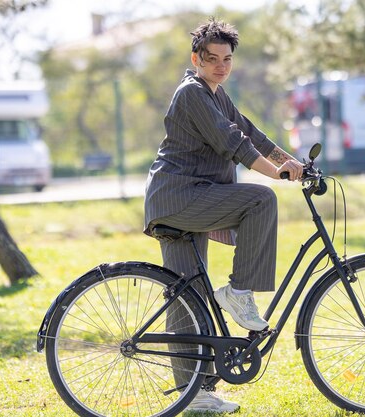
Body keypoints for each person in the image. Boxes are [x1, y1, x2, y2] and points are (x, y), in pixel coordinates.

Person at [143, 18, 303, 413]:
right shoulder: (193, 93)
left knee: (188, 298)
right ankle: (238, 291)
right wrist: (275, 173)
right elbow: (233, 143)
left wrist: (293, 162)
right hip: (181, 197)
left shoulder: (216, 93)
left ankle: (193, 394)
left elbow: (250, 132)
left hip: (184, 199)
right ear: (196, 58)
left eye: (227, 59)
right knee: (261, 201)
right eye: (212, 58)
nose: (221, 66)